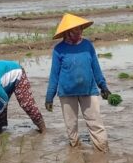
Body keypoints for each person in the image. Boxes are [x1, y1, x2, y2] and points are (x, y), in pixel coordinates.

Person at [45, 13, 111, 152]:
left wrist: (103, 86)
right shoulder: (59, 49)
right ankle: (75, 152)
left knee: (96, 123)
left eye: (80, 28)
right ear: (68, 32)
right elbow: (54, 74)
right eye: (76, 29)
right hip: (67, 93)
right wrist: (49, 97)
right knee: (71, 126)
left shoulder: (87, 45)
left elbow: (96, 67)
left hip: (89, 90)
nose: (79, 31)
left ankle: (102, 150)